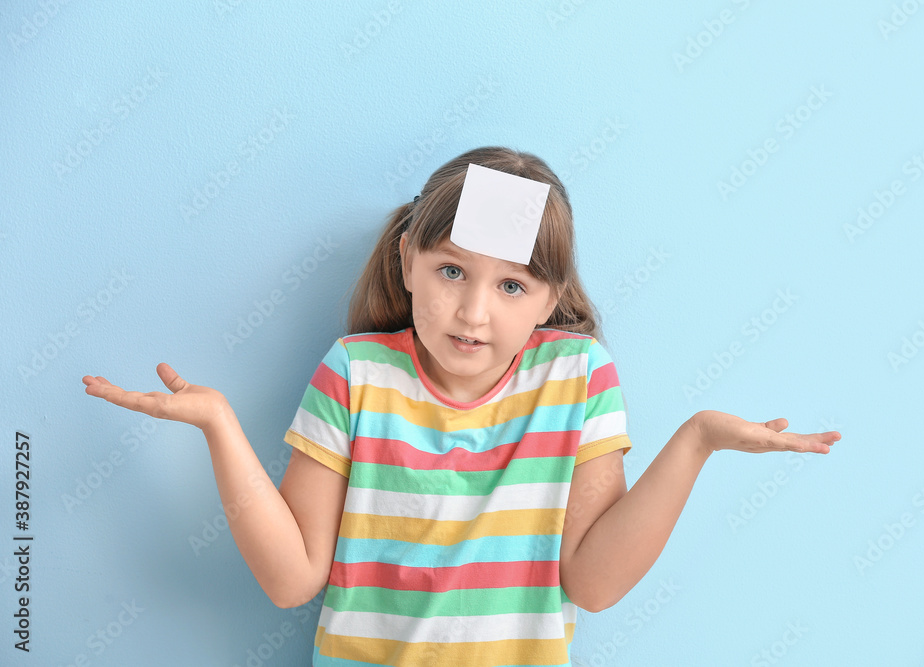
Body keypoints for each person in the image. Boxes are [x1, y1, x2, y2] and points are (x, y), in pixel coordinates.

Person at [82, 145, 841, 667]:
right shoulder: (356, 374)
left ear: (552, 298)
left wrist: (696, 441)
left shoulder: (579, 377)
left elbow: (595, 584)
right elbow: (291, 578)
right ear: (409, 259)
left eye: (511, 284)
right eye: (451, 270)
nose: (473, 312)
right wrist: (220, 425)